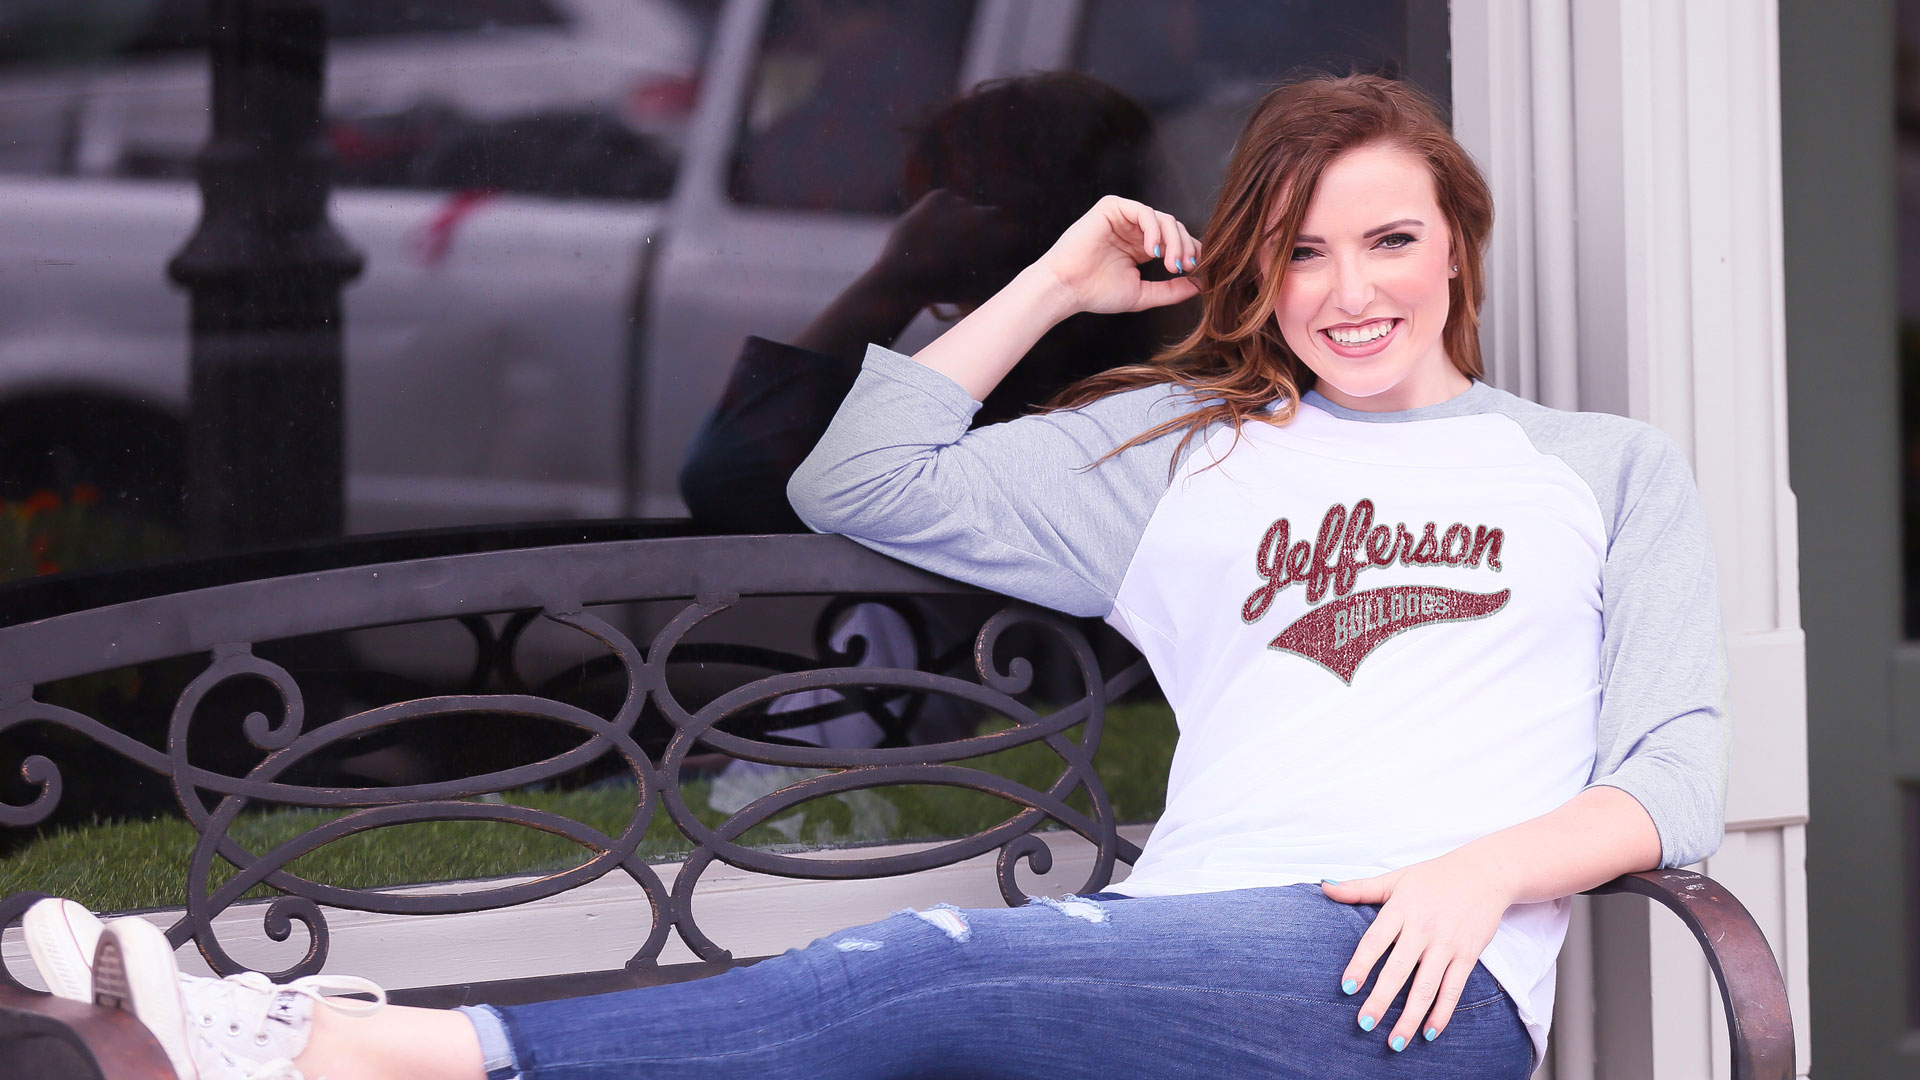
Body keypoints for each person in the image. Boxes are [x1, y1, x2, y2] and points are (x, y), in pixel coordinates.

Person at [22, 72, 1726, 1080]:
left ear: (1457, 245)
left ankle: (364, 1050)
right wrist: (1052, 284)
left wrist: (1474, 876)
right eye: (1303, 253)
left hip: (1410, 985)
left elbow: (1674, 780)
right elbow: (858, 475)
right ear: (1259, 276)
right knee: (928, 1006)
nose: (1352, 292)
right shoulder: (1185, 452)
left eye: (1392, 240)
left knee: (930, 971)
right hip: (1160, 955)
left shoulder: (1599, 470)